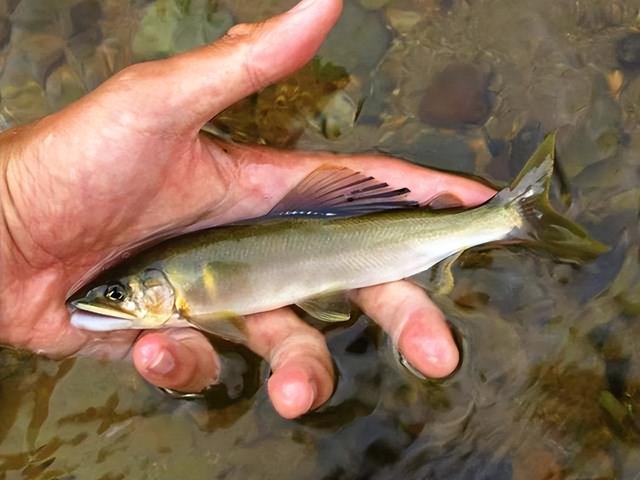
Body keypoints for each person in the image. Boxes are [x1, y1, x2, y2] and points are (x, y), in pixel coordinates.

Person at [0, 0, 493, 419]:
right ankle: (500, 220)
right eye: (116, 294)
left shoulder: (188, 298)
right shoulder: (177, 289)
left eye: (118, 293)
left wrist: (14, 221)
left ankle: (501, 219)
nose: (108, 301)